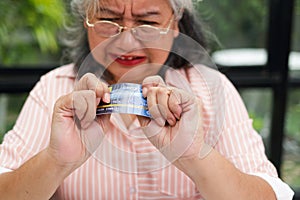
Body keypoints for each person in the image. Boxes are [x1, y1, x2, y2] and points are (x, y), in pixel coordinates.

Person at [0, 0, 295, 199]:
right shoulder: (54, 90)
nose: (127, 42)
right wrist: (55, 160)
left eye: (147, 22)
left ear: (176, 23)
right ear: (86, 21)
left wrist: (195, 155)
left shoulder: (211, 89)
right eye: (108, 20)